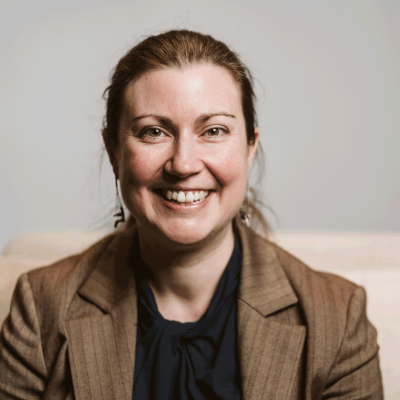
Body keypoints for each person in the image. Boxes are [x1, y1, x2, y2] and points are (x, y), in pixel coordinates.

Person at [0, 30, 383, 399]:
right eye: (153, 132)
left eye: (214, 130)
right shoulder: (40, 306)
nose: (183, 164)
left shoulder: (338, 319)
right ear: (114, 150)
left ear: (250, 147)